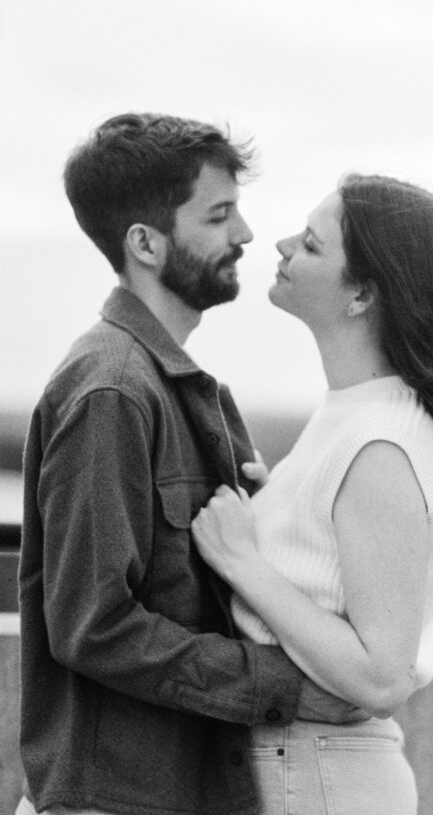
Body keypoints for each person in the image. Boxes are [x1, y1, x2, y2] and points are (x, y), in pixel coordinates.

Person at [16, 113, 360, 815]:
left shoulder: (185, 392)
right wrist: (280, 686)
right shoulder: (110, 391)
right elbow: (94, 624)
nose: (244, 235)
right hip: (116, 798)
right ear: (144, 242)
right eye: (218, 214)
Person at [191, 173, 433, 815]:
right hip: (304, 769)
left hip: (317, 778)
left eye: (312, 246)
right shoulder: (358, 417)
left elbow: (378, 677)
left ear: (363, 294)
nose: (281, 244)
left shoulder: (381, 444)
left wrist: (241, 561)